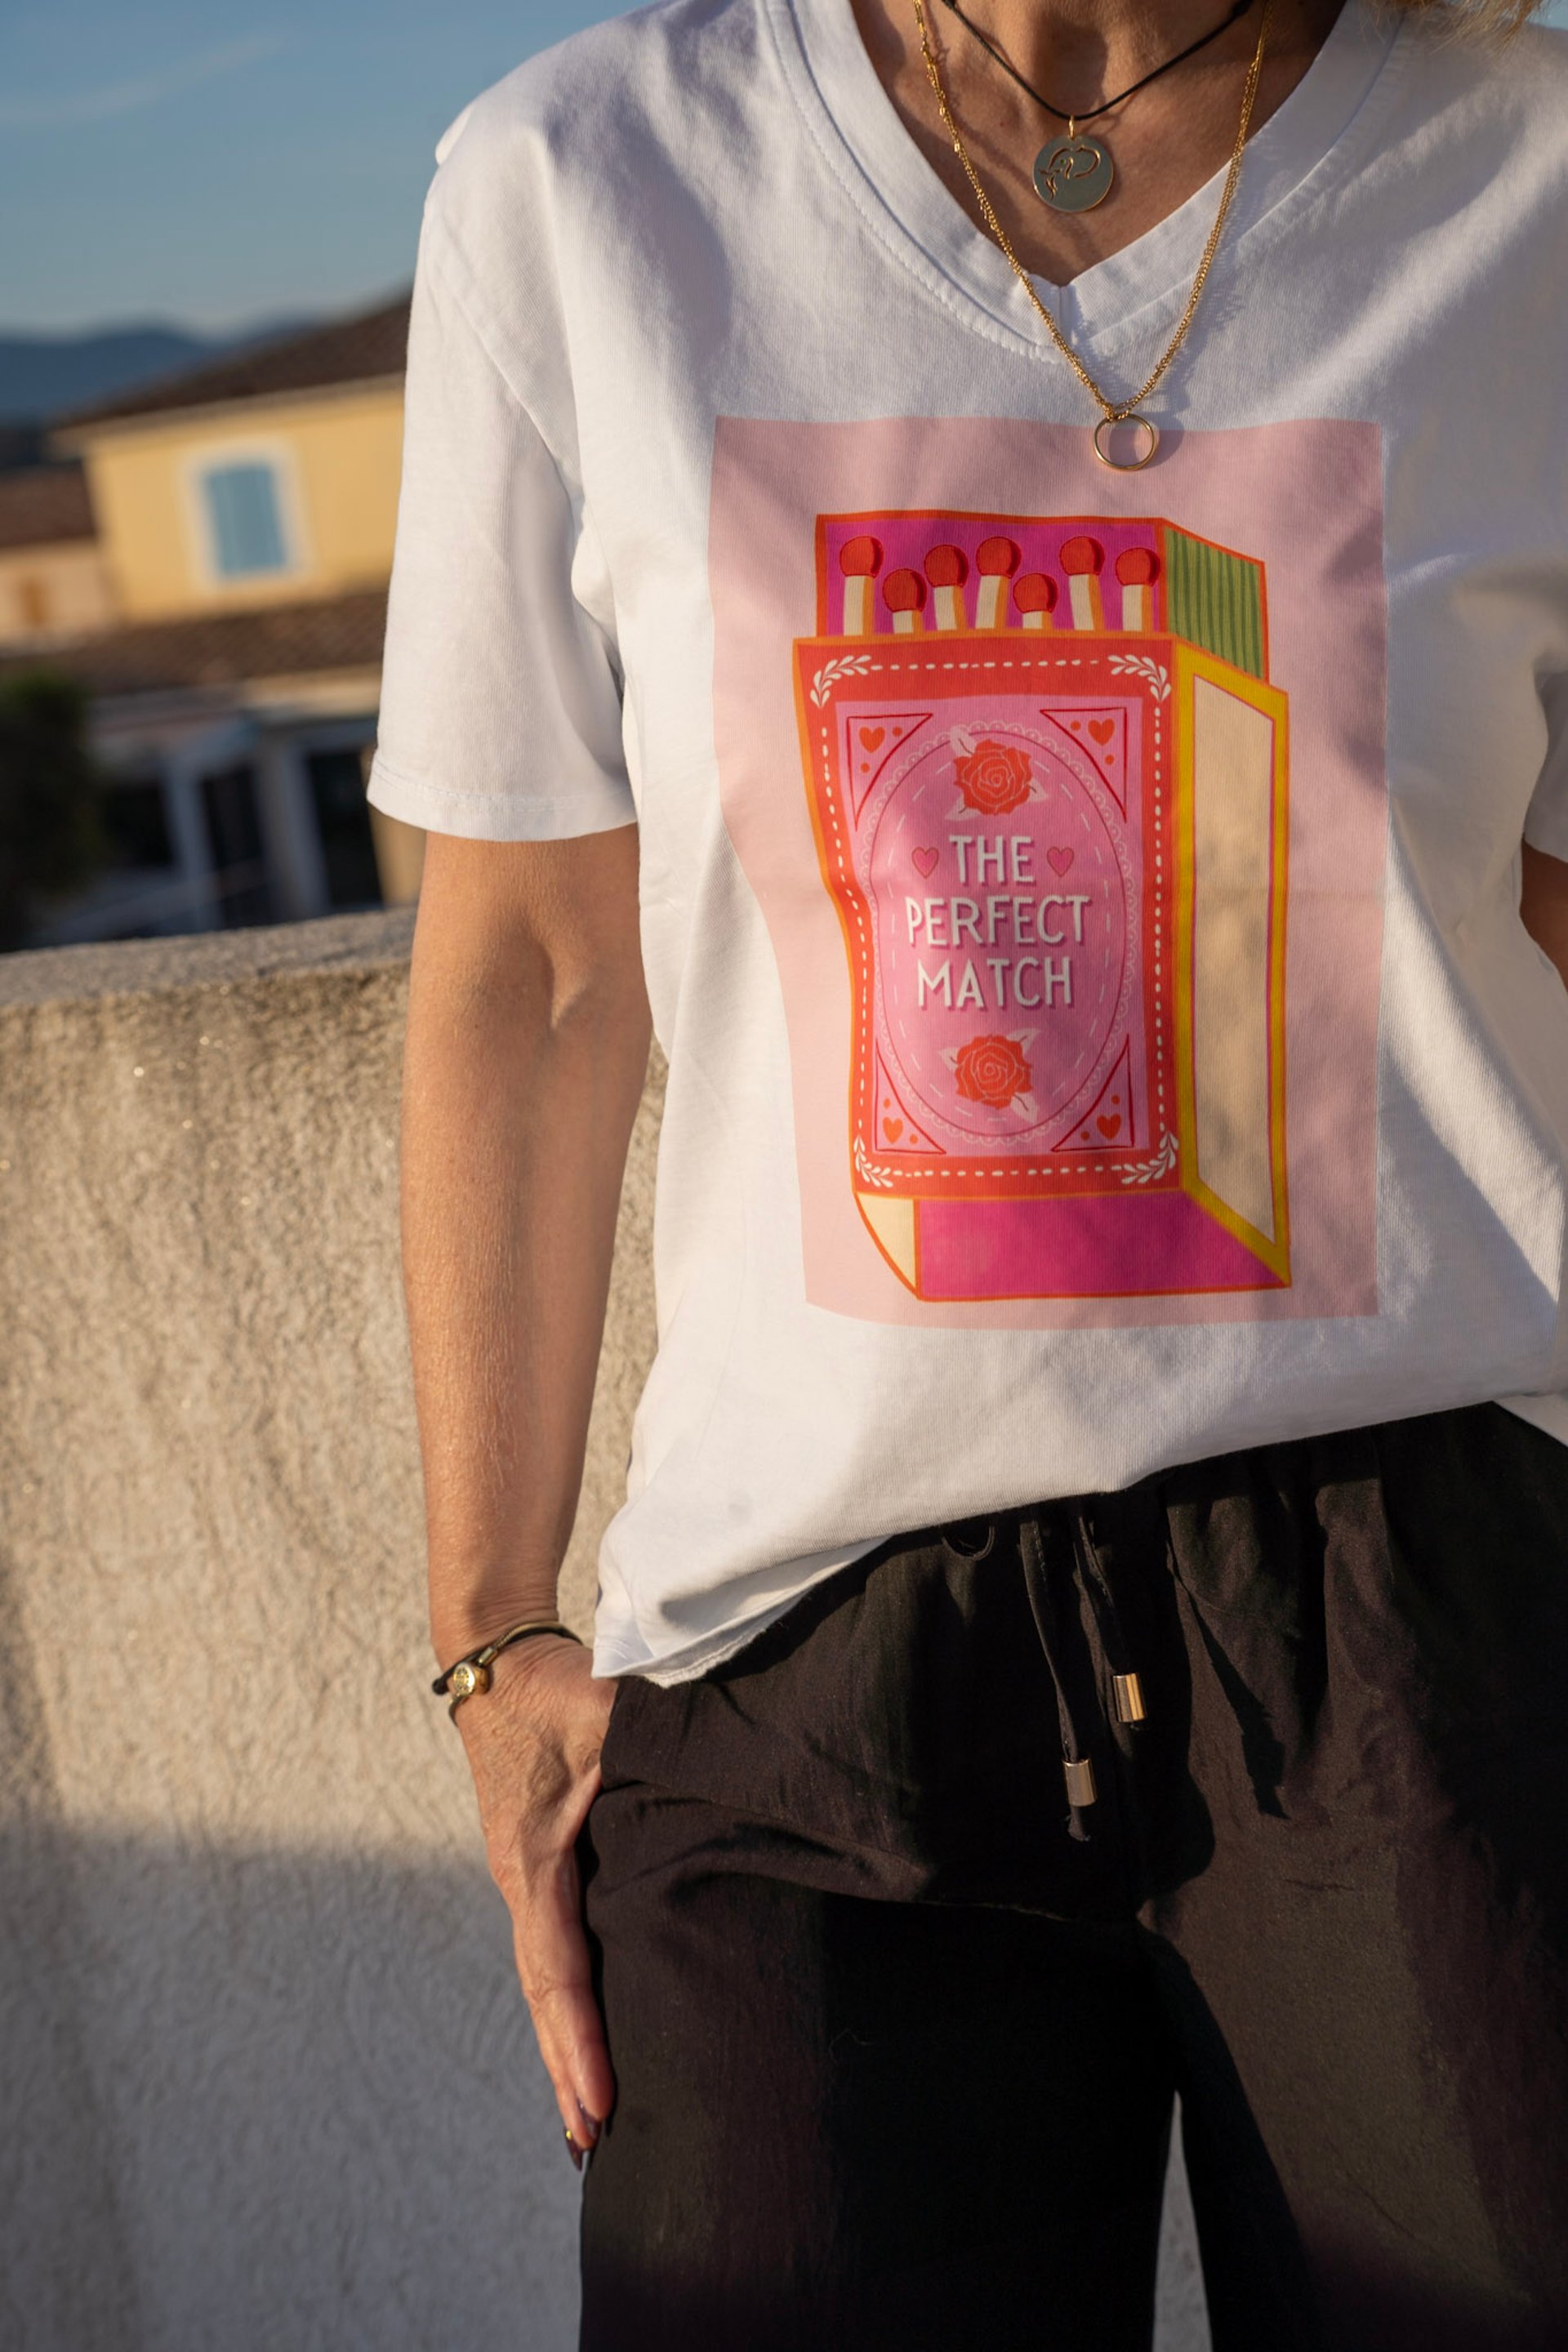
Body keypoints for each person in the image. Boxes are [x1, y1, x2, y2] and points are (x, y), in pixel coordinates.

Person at [369, 0, 1568, 2338]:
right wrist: (495, 1633)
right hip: (802, 1653)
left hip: (1429, 1607)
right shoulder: (578, 186)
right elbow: (524, 962)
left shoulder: (1527, 176)